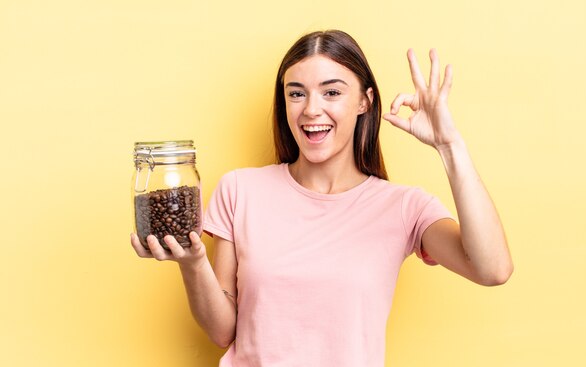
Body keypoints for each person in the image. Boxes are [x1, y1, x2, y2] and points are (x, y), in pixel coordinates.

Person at [131, 29, 513, 366]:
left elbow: (492, 269)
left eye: (331, 92)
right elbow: (222, 332)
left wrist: (450, 146)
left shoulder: (405, 207)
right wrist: (194, 264)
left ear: (364, 101)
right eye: (296, 94)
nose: (311, 109)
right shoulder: (239, 189)